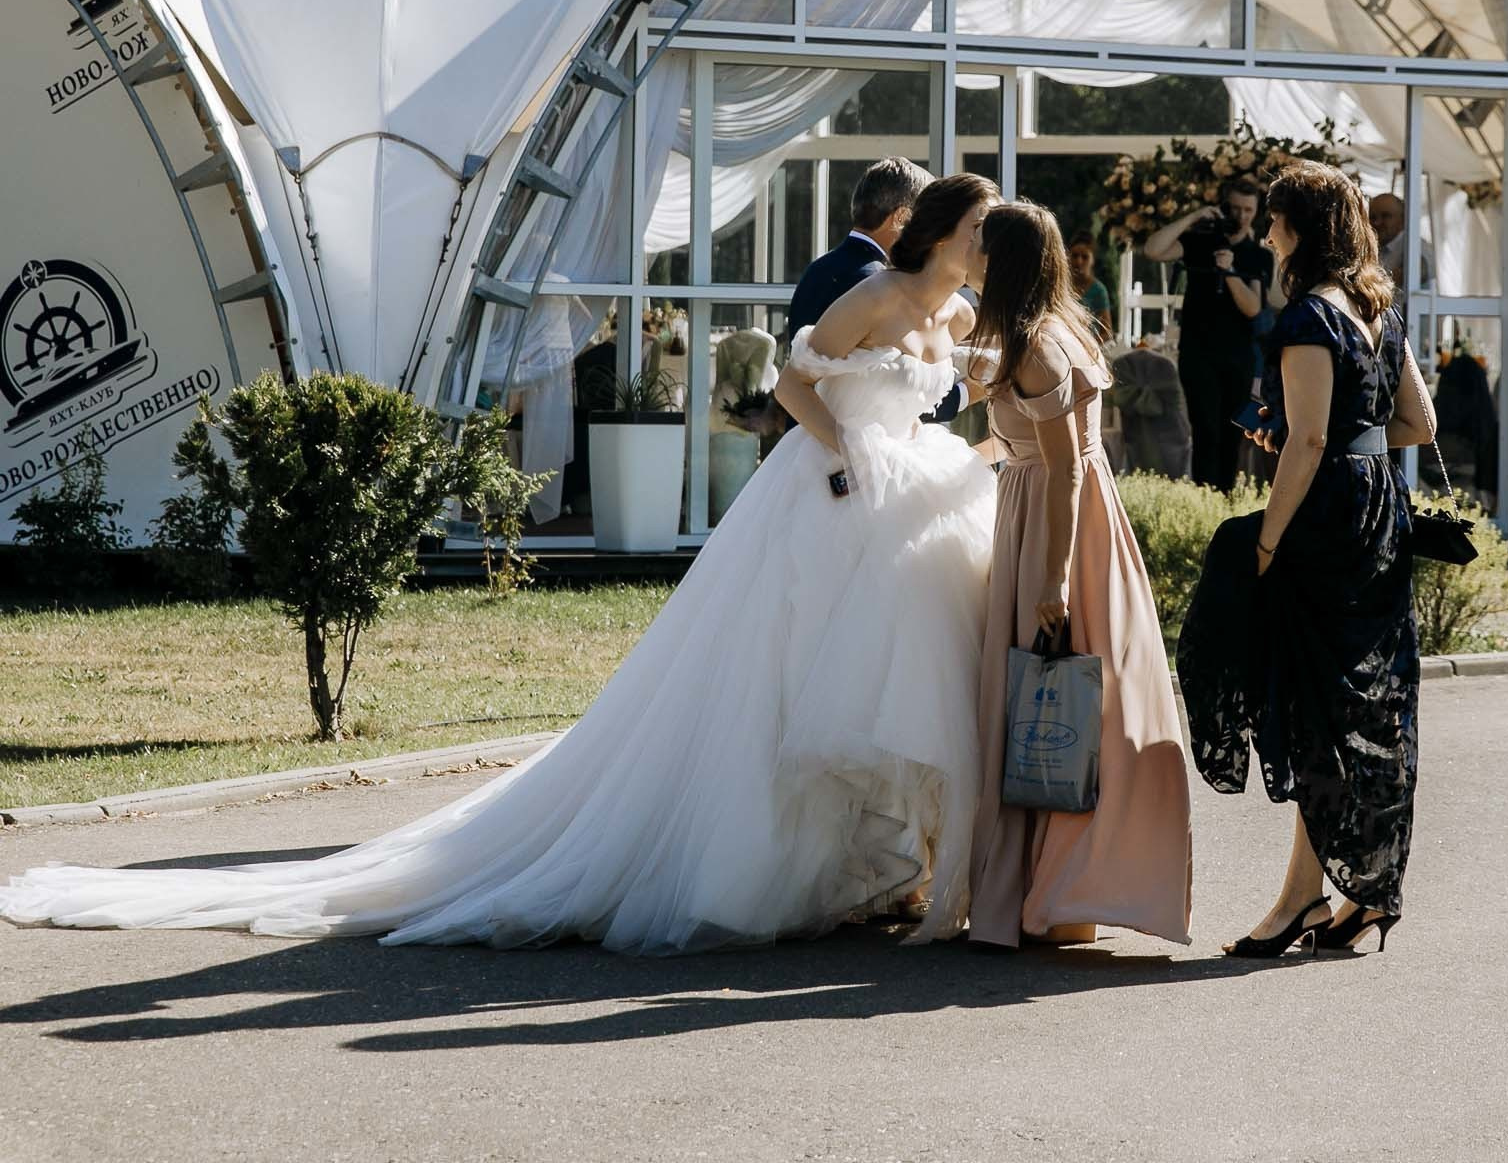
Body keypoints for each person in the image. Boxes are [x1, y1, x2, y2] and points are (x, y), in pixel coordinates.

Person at [0, 177, 1006, 953]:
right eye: (976, 234)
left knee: (882, 680)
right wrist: (841, 466)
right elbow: (792, 384)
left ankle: (874, 870)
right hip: (827, 494)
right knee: (780, 679)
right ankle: (754, 865)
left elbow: (946, 396)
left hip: (902, 490)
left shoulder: (955, 318)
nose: (983, 251)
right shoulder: (873, 293)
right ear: (941, 232)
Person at [1177, 161, 1436, 959]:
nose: (1269, 235)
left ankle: (1303, 901)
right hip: (1378, 513)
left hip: (1324, 524)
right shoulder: (1377, 308)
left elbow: (1312, 440)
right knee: (1355, 704)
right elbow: (1417, 423)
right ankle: (1343, 898)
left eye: (1278, 222)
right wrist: (1337, 440)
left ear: (1299, 231)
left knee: (1311, 705)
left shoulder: (1306, 320)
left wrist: (1264, 541)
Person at [965, 202, 1192, 949]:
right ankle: (1063, 895)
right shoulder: (1054, 329)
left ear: (1005, 263)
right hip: (1069, 519)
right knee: (1075, 702)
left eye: (979, 247)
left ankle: (1060, 894)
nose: (969, 257)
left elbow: (1062, 471)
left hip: (1057, 530)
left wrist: (1052, 581)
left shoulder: (1037, 346)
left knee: (1052, 694)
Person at [786, 155, 964, 423]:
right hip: (847, 447)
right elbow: (893, 397)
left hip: (806, 440)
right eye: (926, 221)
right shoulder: (879, 287)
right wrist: (967, 392)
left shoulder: (819, 268)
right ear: (902, 217)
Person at [1143, 176, 1272, 491]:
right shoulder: (1200, 241)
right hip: (1198, 353)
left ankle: (1225, 501)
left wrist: (1228, 272)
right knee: (1205, 431)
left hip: (1237, 357)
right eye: (1235, 209)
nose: (1241, 216)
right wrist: (1194, 216)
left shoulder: (1257, 254)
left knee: (1232, 435)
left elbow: (1253, 307)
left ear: (1256, 212)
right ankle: (1204, 497)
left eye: (1248, 210)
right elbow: (1153, 250)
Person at [1065, 228, 1114, 341]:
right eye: (1075, 256)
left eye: (1085, 257)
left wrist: (1088, 345)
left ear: (1092, 260)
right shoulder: (1060, 286)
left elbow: (1107, 332)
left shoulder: (1099, 290)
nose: (1079, 262)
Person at [1368, 191, 1408, 285]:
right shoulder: (1370, 247)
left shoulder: (1413, 250)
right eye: (1372, 217)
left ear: (1403, 220)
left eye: (1385, 216)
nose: (1377, 223)